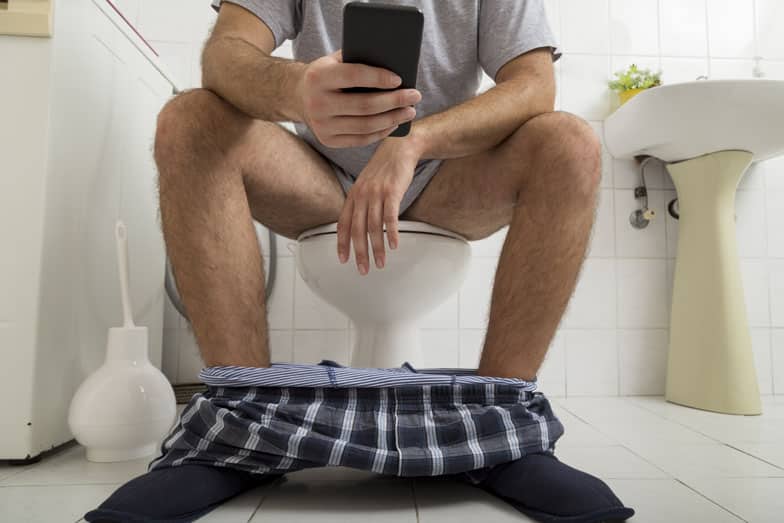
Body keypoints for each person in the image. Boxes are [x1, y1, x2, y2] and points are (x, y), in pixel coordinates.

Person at [85, 2, 635, 522]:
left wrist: (415, 141)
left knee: (570, 143)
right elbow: (225, 53)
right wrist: (298, 90)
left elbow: (534, 84)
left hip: (441, 175)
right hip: (318, 176)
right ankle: (237, 432)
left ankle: (504, 431)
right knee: (190, 117)